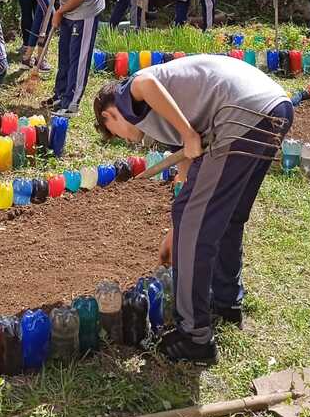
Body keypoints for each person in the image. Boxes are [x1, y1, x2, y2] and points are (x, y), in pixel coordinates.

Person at [93, 55, 293, 365]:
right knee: (226, 215)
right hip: (273, 107)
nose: (126, 141)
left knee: (196, 225)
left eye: (116, 133)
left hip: (239, 114)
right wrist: (177, 230)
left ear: (110, 116)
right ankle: (226, 302)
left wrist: (187, 134)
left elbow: (145, 83)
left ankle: (195, 336)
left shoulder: (125, 96)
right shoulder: (169, 118)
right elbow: (189, 185)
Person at [21, 0, 105, 116]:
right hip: (69, 4)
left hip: (87, 6)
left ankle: (71, 105)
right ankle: (61, 95)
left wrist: (58, 12)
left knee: (78, 56)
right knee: (64, 52)